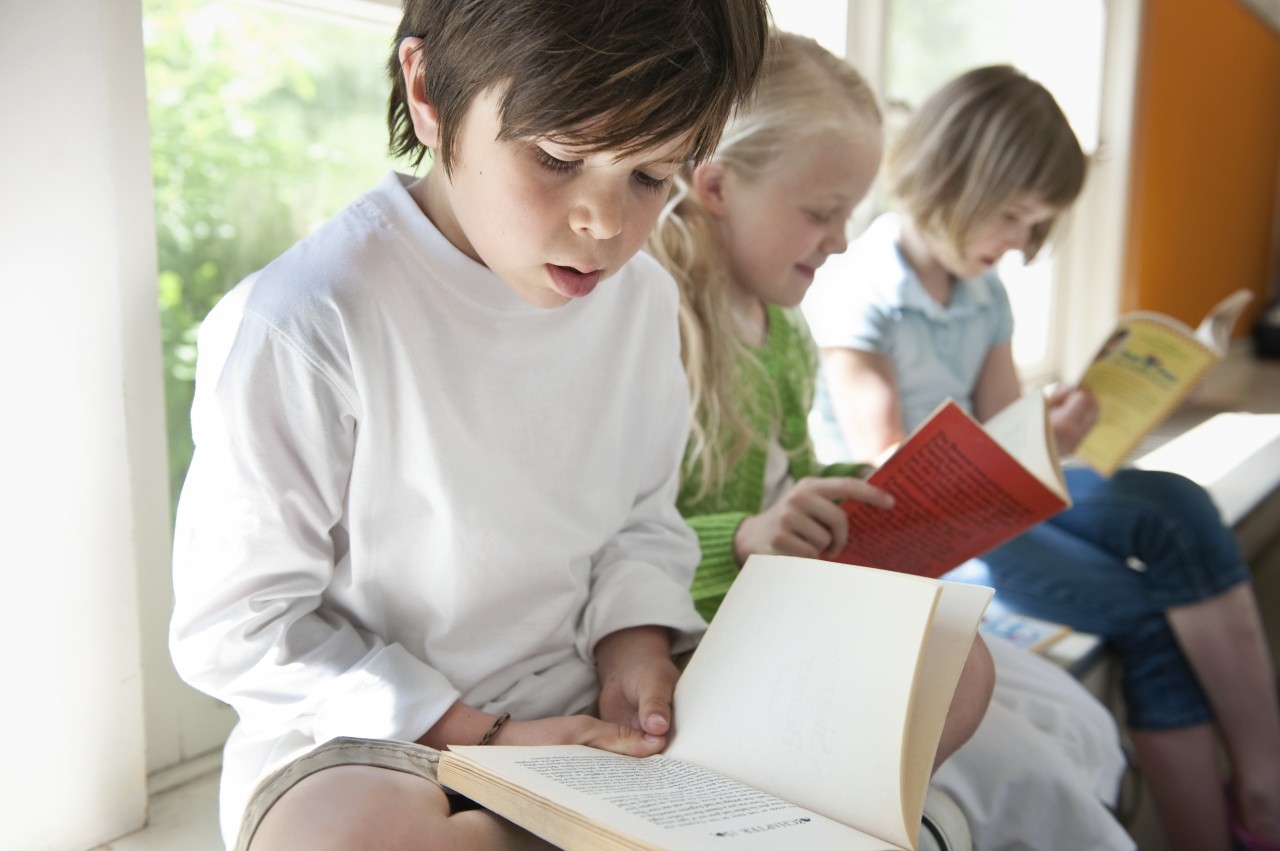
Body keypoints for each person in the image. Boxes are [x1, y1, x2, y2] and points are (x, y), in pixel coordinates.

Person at [167, 2, 771, 849]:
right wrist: (480, 736)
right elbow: (239, 628)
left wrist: (635, 648)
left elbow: (642, 520)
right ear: (428, 92)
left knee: (939, 673)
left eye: (650, 177)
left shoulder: (641, 302)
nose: (606, 224)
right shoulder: (308, 322)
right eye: (559, 158)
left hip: (578, 706)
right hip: (371, 743)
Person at [648, 34, 1133, 851]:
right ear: (716, 184)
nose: (840, 240)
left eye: (849, 213)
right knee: (1026, 769)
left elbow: (793, 480)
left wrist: (861, 493)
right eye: (819, 212)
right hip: (700, 635)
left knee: (1074, 722)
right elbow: (623, 538)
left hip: (782, 606)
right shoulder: (654, 324)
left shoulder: (785, 333)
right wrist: (745, 537)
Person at [803, 64, 1280, 851]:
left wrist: (1054, 426)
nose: (1021, 245)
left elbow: (1002, 424)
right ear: (951, 180)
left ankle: (1259, 792)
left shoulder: (982, 292)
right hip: (921, 535)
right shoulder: (864, 285)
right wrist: (1014, 446)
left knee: (1177, 503)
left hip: (986, 509)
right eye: (1014, 218)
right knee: (1143, 619)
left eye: (1036, 226)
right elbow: (885, 466)